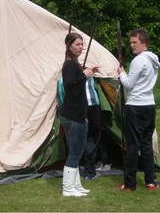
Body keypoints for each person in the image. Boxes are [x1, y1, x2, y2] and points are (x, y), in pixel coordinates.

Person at [117, 28, 160, 191]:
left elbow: (128, 83)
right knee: (146, 145)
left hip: (135, 105)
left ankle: (130, 184)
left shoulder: (138, 60)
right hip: (149, 105)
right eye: (130, 42)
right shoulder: (154, 59)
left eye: (135, 42)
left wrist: (121, 73)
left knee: (133, 145)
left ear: (144, 43)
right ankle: (150, 181)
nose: (131, 45)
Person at [59, 32, 99, 197]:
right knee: (75, 152)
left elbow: (75, 83)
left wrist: (86, 72)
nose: (81, 47)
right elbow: (68, 86)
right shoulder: (69, 65)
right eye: (78, 44)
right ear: (69, 46)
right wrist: (84, 75)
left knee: (77, 151)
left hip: (75, 114)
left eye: (82, 44)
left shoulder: (74, 64)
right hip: (73, 115)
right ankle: (68, 188)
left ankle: (75, 185)